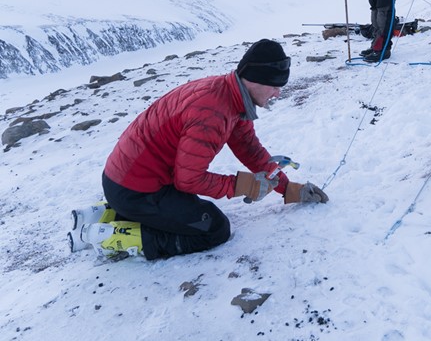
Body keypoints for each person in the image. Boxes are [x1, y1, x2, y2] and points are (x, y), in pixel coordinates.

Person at [68, 39, 328, 260]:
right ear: (254, 80)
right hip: (136, 190)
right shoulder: (213, 113)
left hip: (129, 181)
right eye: (274, 86)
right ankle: (113, 237)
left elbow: (250, 150)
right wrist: (243, 186)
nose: (277, 93)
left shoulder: (230, 96)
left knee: (193, 213)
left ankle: (107, 212)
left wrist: (290, 189)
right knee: (214, 228)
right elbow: (188, 179)